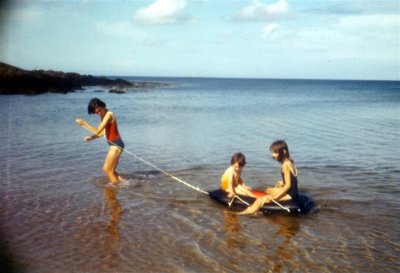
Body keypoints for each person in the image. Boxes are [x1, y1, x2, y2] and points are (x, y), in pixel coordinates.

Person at [238, 140, 299, 215]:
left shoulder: (285, 165)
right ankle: (260, 204)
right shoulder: (290, 161)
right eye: (272, 152)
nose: (273, 155)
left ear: (283, 152)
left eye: (275, 152)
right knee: (268, 190)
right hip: (293, 192)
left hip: (290, 195)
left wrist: (275, 197)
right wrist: (283, 182)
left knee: (261, 199)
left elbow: (288, 186)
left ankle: (243, 213)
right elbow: (293, 179)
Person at [75, 98, 124, 185]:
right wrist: (92, 137)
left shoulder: (109, 114)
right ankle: (124, 184)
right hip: (114, 145)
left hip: (116, 145)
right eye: (96, 113)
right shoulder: (103, 115)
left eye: (99, 111)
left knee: (108, 171)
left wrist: (83, 123)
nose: (99, 113)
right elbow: (101, 133)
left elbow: (97, 130)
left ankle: (115, 189)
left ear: (101, 106)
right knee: (109, 170)